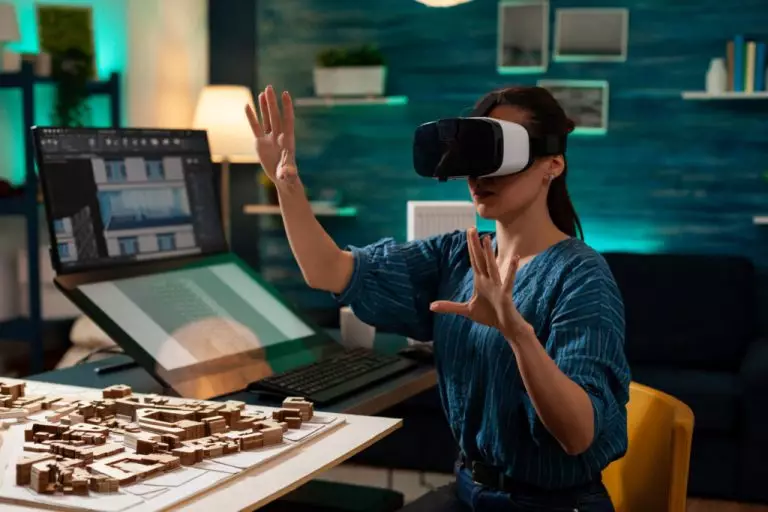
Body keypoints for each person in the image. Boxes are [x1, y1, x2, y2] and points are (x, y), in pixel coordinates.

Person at [245, 85, 631, 512]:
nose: (480, 175)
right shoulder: (455, 256)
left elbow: (578, 435)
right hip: (469, 491)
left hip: (553, 504)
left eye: (500, 153)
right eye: (475, 155)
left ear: (552, 165)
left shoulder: (580, 275)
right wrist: (287, 185)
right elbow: (327, 271)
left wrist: (516, 333)